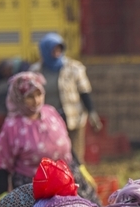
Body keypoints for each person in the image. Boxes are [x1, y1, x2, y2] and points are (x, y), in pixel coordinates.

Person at [0, 72, 97, 203]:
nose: (36, 100)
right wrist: (2, 196)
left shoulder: (51, 113)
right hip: (34, 189)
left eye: (39, 94)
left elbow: (66, 145)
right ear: (19, 98)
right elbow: (2, 163)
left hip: (67, 177)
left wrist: (81, 169)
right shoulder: (12, 126)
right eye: (30, 96)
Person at [30, 33, 101, 164]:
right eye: (53, 49)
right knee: (53, 154)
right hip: (48, 121)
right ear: (45, 50)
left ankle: (77, 181)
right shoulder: (36, 70)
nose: (57, 53)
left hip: (72, 117)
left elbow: (84, 92)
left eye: (59, 49)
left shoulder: (74, 68)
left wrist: (92, 112)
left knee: (76, 155)